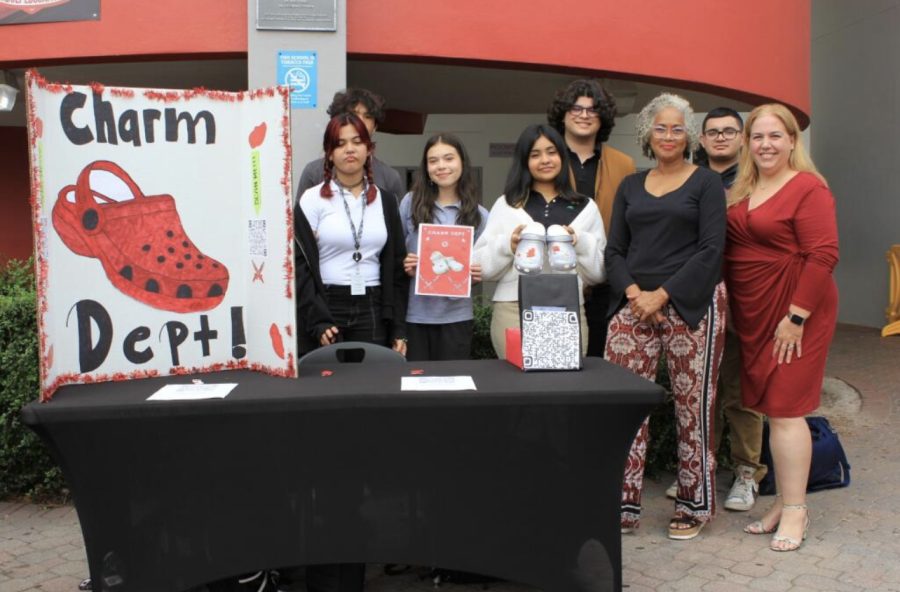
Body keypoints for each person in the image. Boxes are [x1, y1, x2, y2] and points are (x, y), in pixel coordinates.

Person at [604, 93, 727, 540]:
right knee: (622, 408)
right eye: (661, 127)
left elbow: (712, 250)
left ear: (688, 134)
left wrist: (663, 294)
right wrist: (637, 294)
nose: (670, 135)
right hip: (632, 306)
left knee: (693, 409)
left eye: (678, 128)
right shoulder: (631, 186)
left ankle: (694, 506)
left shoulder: (706, 184)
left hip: (691, 305)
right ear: (647, 134)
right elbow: (614, 251)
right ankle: (619, 505)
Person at [725, 103, 839, 552]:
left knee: (789, 410)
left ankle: (796, 511)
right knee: (774, 409)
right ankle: (784, 503)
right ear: (747, 143)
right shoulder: (745, 186)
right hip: (757, 314)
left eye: (776, 136)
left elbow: (824, 255)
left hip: (796, 313)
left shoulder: (808, 188)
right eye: (758, 136)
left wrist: (796, 317)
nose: (766, 144)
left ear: (793, 141)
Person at [664, 108, 768, 512]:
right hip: (697, 298)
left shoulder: (758, 181)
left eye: (729, 131)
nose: (721, 138)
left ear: (742, 138)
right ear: (701, 140)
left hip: (745, 299)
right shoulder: (687, 180)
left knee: (741, 392)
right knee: (701, 391)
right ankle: (697, 469)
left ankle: (747, 474)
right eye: (713, 132)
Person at [473, 124, 606, 359]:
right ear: (524, 161)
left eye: (551, 152)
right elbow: (479, 267)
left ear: (562, 156)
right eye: (535, 155)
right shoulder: (507, 204)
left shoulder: (586, 207)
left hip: (567, 307)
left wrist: (580, 242)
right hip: (513, 308)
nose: (545, 160)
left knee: (566, 389)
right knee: (517, 388)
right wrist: (508, 246)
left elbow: (599, 273)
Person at [296, 112, 408, 355]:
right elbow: (299, 266)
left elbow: (397, 268)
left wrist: (399, 328)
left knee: (370, 383)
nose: (349, 149)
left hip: (373, 304)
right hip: (326, 303)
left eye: (357, 142)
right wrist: (318, 320)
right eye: (340, 143)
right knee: (326, 384)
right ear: (329, 152)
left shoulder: (386, 201)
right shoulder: (311, 199)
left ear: (369, 149)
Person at [547, 79, 635, 356]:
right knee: (556, 361)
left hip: (607, 283)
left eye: (592, 109)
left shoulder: (624, 164)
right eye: (576, 108)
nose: (584, 115)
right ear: (563, 114)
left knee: (602, 364)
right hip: (555, 278)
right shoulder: (546, 159)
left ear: (603, 117)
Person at [399, 133, 489, 361]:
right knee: (416, 384)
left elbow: (479, 267)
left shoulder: (479, 215)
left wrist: (477, 274)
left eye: (449, 158)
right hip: (415, 316)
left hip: (457, 317)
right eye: (433, 160)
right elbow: (395, 256)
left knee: (453, 386)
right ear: (426, 167)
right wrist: (405, 263)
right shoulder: (410, 203)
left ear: (462, 163)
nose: (441, 166)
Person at [296, 88, 406, 202]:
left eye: (368, 116)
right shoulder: (313, 172)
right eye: (354, 114)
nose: (360, 120)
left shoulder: (389, 177)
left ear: (375, 127)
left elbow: (395, 219)